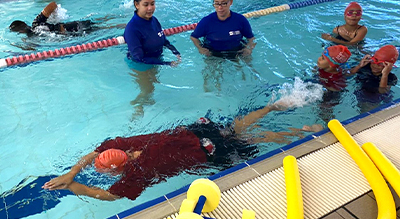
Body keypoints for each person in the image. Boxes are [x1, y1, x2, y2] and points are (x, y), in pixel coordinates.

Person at [42, 101, 322, 201]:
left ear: (118, 169)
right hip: (196, 131)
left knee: (256, 139)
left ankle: (300, 133)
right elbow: (95, 153)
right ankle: (271, 107)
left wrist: (73, 186)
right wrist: (73, 170)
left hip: (208, 152)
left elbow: (109, 196)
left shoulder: (138, 174)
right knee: (237, 128)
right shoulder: (125, 145)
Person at [124, 0, 181, 66]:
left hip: (156, 61)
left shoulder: (154, 20)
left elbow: (164, 40)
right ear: (137, 4)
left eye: (152, 4)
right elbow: (139, 58)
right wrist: (166, 63)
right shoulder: (132, 29)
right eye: (146, 5)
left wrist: (175, 51)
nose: (150, 8)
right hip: (141, 67)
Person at [190, 0, 256, 58]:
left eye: (223, 3)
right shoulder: (207, 22)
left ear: (231, 2)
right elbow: (194, 37)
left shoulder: (240, 20)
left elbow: (251, 38)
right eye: (217, 3)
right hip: (213, 54)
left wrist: (248, 48)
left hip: (237, 52)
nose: (220, 8)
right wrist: (200, 48)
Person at [9, 2, 97, 36]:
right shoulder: (32, 35)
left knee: (106, 26)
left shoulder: (36, 23)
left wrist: (55, 17)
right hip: (72, 32)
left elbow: (52, 5)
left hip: (72, 27)